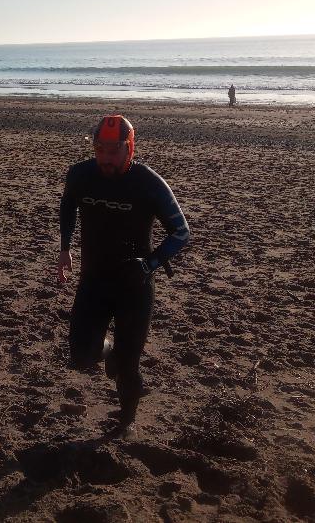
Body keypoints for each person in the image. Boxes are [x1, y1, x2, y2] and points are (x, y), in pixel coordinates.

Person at [58, 114, 191, 439]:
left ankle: (126, 421)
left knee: (128, 366)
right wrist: (65, 248)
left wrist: (150, 264)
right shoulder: (80, 175)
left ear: (129, 149)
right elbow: (67, 206)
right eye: (100, 149)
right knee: (81, 354)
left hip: (134, 286)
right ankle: (110, 349)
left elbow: (181, 232)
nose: (105, 157)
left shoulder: (147, 183)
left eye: (113, 150)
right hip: (94, 280)